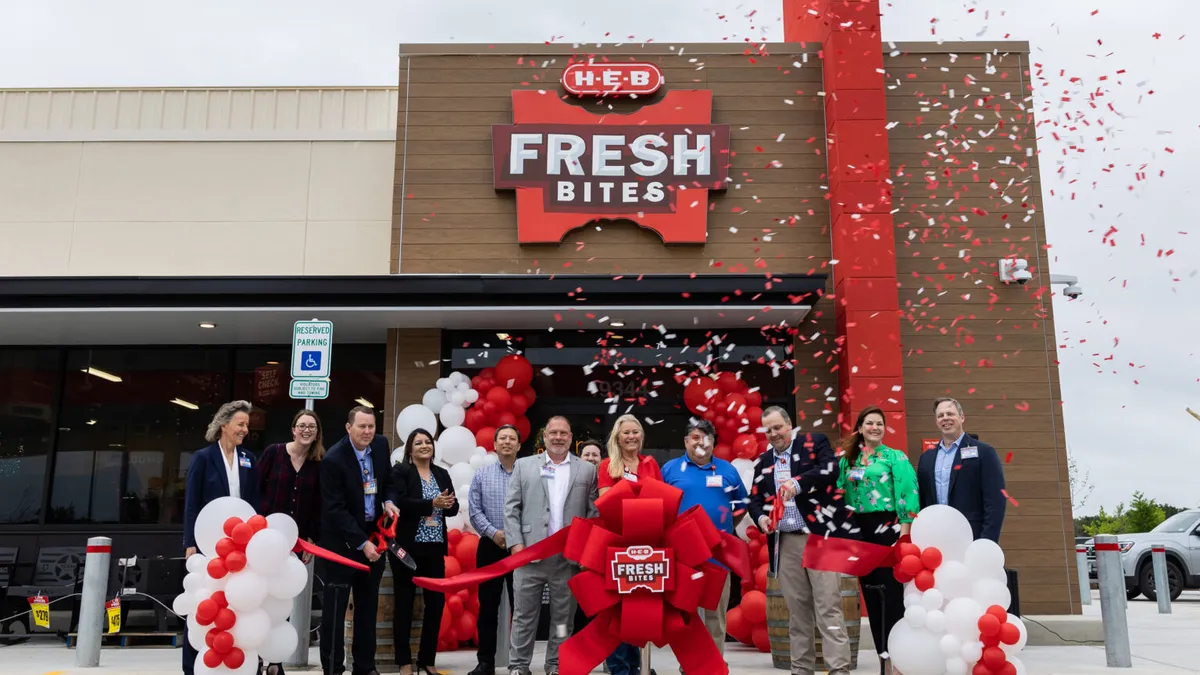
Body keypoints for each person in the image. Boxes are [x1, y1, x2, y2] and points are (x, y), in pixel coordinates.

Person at [747, 406, 850, 675]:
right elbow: (755, 500)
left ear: (789, 424)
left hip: (819, 538)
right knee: (798, 612)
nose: (773, 434)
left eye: (777, 427)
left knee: (829, 607)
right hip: (787, 542)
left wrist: (798, 483)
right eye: (768, 430)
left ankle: (838, 669)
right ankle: (801, 670)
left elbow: (831, 469)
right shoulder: (762, 462)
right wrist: (761, 519)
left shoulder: (814, 442)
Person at [504, 415, 599, 675]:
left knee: (562, 619)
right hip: (528, 556)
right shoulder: (523, 466)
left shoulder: (587, 470)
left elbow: (592, 515)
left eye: (564, 433)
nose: (558, 437)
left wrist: (585, 550)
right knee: (524, 616)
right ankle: (519, 665)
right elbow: (511, 509)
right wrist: (515, 546)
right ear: (544, 436)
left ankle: (556, 664)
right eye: (553, 433)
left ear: (571, 438)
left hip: (567, 559)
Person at [837, 406, 919, 675]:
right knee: (872, 597)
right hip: (859, 533)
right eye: (869, 423)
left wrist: (905, 534)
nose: (875, 427)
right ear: (860, 428)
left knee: (892, 597)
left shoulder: (895, 457)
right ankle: (883, 659)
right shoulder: (847, 460)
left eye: (879, 424)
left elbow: (907, 494)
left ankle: (899, 661)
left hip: (889, 530)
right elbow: (838, 493)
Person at [319, 406, 400, 675]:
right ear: (348, 427)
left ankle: (365, 667)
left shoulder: (380, 445)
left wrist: (389, 502)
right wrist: (361, 543)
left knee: (368, 608)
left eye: (371, 426)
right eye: (362, 427)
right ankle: (333, 668)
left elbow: (388, 481)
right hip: (342, 544)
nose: (367, 432)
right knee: (336, 611)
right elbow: (335, 509)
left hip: (374, 536)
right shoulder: (333, 459)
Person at [660, 419, 749, 662]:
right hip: (682, 557)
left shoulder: (727, 470)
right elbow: (659, 508)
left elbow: (741, 506)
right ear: (687, 441)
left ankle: (712, 665)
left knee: (715, 617)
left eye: (706, 438)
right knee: (686, 616)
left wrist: (726, 530)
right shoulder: (669, 470)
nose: (701, 443)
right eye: (696, 438)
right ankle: (688, 666)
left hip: (718, 557)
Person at [183, 400, 261, 675]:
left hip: (239, 546)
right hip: (208, 543)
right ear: (224, 425)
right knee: (204, 603)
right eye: (240, 424)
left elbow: (254, 503)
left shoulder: (249, 459)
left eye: (247, 426)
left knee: (236, 602)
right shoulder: (203, 458)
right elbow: (191, 503)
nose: (244, 430)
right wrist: (189, 543)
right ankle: (192, 666)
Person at [258, 409, 325, 675]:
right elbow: (255, 489)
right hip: (263, 539)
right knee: (259, 597)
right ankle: (255, 659)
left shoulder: (317, 464)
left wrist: (311, 540)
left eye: (312, 426)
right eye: (302, 425)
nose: (306, 430)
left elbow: (317, 505)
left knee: (281, 599)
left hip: (292, 544)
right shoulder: (274, 453)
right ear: (293, 429)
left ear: (317, 433)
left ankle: (274, 662)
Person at [596, 414, 662, 675]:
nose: (631, 436)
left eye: (635, 432)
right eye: (626, 433)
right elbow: (606, 504)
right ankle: (619, 667)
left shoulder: (651, 464)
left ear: (641, 435)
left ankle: (637, 665)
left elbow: (662, 500)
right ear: (617, 437)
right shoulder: (607, 466)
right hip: (619, 545)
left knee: (640, 606)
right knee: (618, 608)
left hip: (648, 545)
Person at [389, 428, 458, 675]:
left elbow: (453, 507)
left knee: (436, 604)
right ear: (410, 448)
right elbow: (402, 503)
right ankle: (404, 662)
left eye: (427, 442)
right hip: (407, 549)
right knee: (404, 605)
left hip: (434, 548)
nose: (424, 446)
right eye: (418, 443)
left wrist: (447, 504)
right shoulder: (402, 472)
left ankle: (426, 661)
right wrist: (431, 503)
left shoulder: (442, 473)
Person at [468, 424, 521, 675]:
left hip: (520, 548)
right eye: (503, 438)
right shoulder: (482, 474)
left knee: (521, 608)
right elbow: (474, 510)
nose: (507, 442)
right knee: (487, 607)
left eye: (512, 438)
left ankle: (520, 663)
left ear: (519, 445)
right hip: (490, 546)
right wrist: (494, 533)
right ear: (495, 445)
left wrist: (514, 537)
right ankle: (485, 662)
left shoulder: (529, 473)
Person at [917, 397, 1006, 542]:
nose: (945, 418)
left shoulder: (984, 452)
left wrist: (987, 541)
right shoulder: (926, 458)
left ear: (962, 417)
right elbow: (923, 501)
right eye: (941, 415)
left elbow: (995, 501)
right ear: (936, 422)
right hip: (936, 538)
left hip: (972, 536)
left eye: (950, 414)